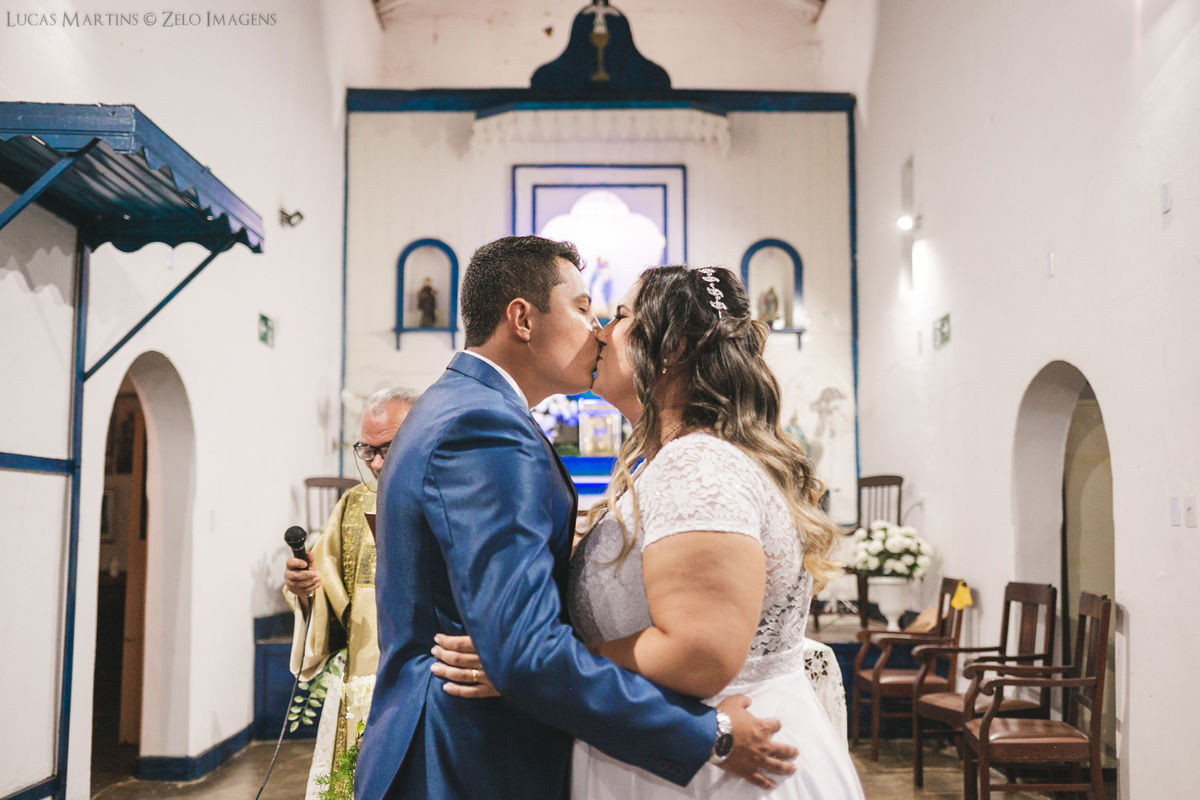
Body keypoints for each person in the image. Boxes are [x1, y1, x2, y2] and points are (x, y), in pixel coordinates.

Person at [355, 236, 796, 800]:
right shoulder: (484, 428)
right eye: (585, 309)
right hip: (463, 757)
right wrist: (709, 736)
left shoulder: (465, 408)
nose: (599, 330)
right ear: (522, 318)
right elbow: (523, 651)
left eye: (611, 315)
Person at [436, 264, 866, 799]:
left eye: (618, 316)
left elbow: (699, 653)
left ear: (671, 348)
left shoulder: (698, 466)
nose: (599, 331)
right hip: (681, 750)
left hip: (720, 761)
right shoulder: (675, 458)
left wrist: (533, 667)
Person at [283, 386, 419, 799]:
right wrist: (302, 586)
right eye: (366, 450)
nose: (376, 463)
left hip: (429, 685)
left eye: (387, 449)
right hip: (363, 685)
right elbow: (326, 596)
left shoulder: (452, 493)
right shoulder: (352, 505)